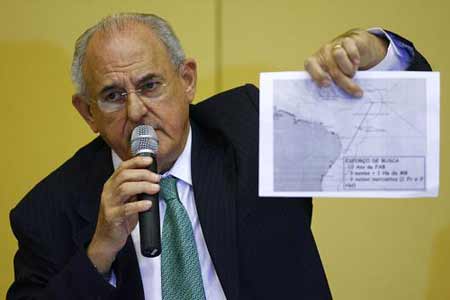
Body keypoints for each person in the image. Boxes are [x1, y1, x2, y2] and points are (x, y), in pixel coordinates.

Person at [8, 13, 431, 300]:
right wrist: (100, 250)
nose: (136, 111)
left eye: (151, 85)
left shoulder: (251, 129)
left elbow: (400, 130)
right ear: (88, 113)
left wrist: (377, 52)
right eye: (114, 96)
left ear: (187, 80)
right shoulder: (48, 211)